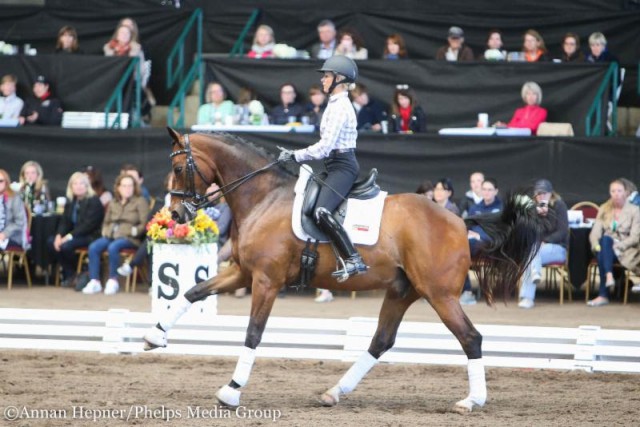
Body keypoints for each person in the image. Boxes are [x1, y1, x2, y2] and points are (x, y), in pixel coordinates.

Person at [277, 55, 368, 280]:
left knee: (322, 211)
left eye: (327, 76)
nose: (324, 80)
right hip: (333, 165)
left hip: (342, 166)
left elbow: (325, 147)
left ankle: (353, 259)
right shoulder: (334, 104)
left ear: (339, 79)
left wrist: (295, 155)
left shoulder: (340, 107)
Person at [82, 174, 149, 295]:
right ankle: (94, 281)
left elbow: (144, 224)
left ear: (134, 187)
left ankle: (113, 281)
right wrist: (106, 232)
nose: (127, 188)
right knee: (94, 247)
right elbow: (106, 222)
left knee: (113, 247)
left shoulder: (140, 201)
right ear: (118, 187)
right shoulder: (114, 202)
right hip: (111, 235)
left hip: (130, 238)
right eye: (124, 186)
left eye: (130, 186)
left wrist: (132, 232)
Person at [587, 178, 640, 306]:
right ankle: (609, 276)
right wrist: (595, 244)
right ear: (610, 193)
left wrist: (620, 245)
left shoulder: (634, 210)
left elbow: (635, 237)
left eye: (619, 191)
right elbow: (595, 232)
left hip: (626, 250)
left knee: (604, 250)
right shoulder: (604, 208)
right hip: (607, 248)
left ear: (625, 193)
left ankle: (603, 295)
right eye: (613, 191)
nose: (616, 194)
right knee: (604, 241)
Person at [517, 179, 569, 309]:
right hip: (537, 249)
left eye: (544, 193)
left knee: (530, 255)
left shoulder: (559, 205)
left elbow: (562, 231)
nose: (541, 196)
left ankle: (527, 297)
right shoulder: (531, 209)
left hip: (556, 248)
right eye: (538, 193)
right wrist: (538, 217)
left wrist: (546, 240)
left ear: (551, 193)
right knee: (532, 254)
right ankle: (535, 274)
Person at [48, 172, 104, 287]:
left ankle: (77, 271)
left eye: (82, 183)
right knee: (51, 242)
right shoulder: (71, 202)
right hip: (74, 235)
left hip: (90, 236)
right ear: (71, 187)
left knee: (66, 246)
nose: (78, 186)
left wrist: (67, 237)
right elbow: (64, 221)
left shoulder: (94, 201)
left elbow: (87, 226)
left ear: (87, 186)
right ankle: (71, 274)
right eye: (75, 184)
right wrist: (59, 235)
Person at [460, 178, 503, 305]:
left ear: (496, 191)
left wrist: (480, 237)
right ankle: (467, 291)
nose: (487, 192)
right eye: (484, 189)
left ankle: (467, 292)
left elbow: (502, 232)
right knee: (458, 253)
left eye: (490, 190)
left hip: (494, 246)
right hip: (472, 246)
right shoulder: (475, 208)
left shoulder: (501, 208)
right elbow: (468, 227)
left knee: (464, 249)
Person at [0, 169, 27, 250]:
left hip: (12, 237)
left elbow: (19, 222)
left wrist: (4, 234)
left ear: (6, 182)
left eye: (0, 181)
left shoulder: (14, 198)